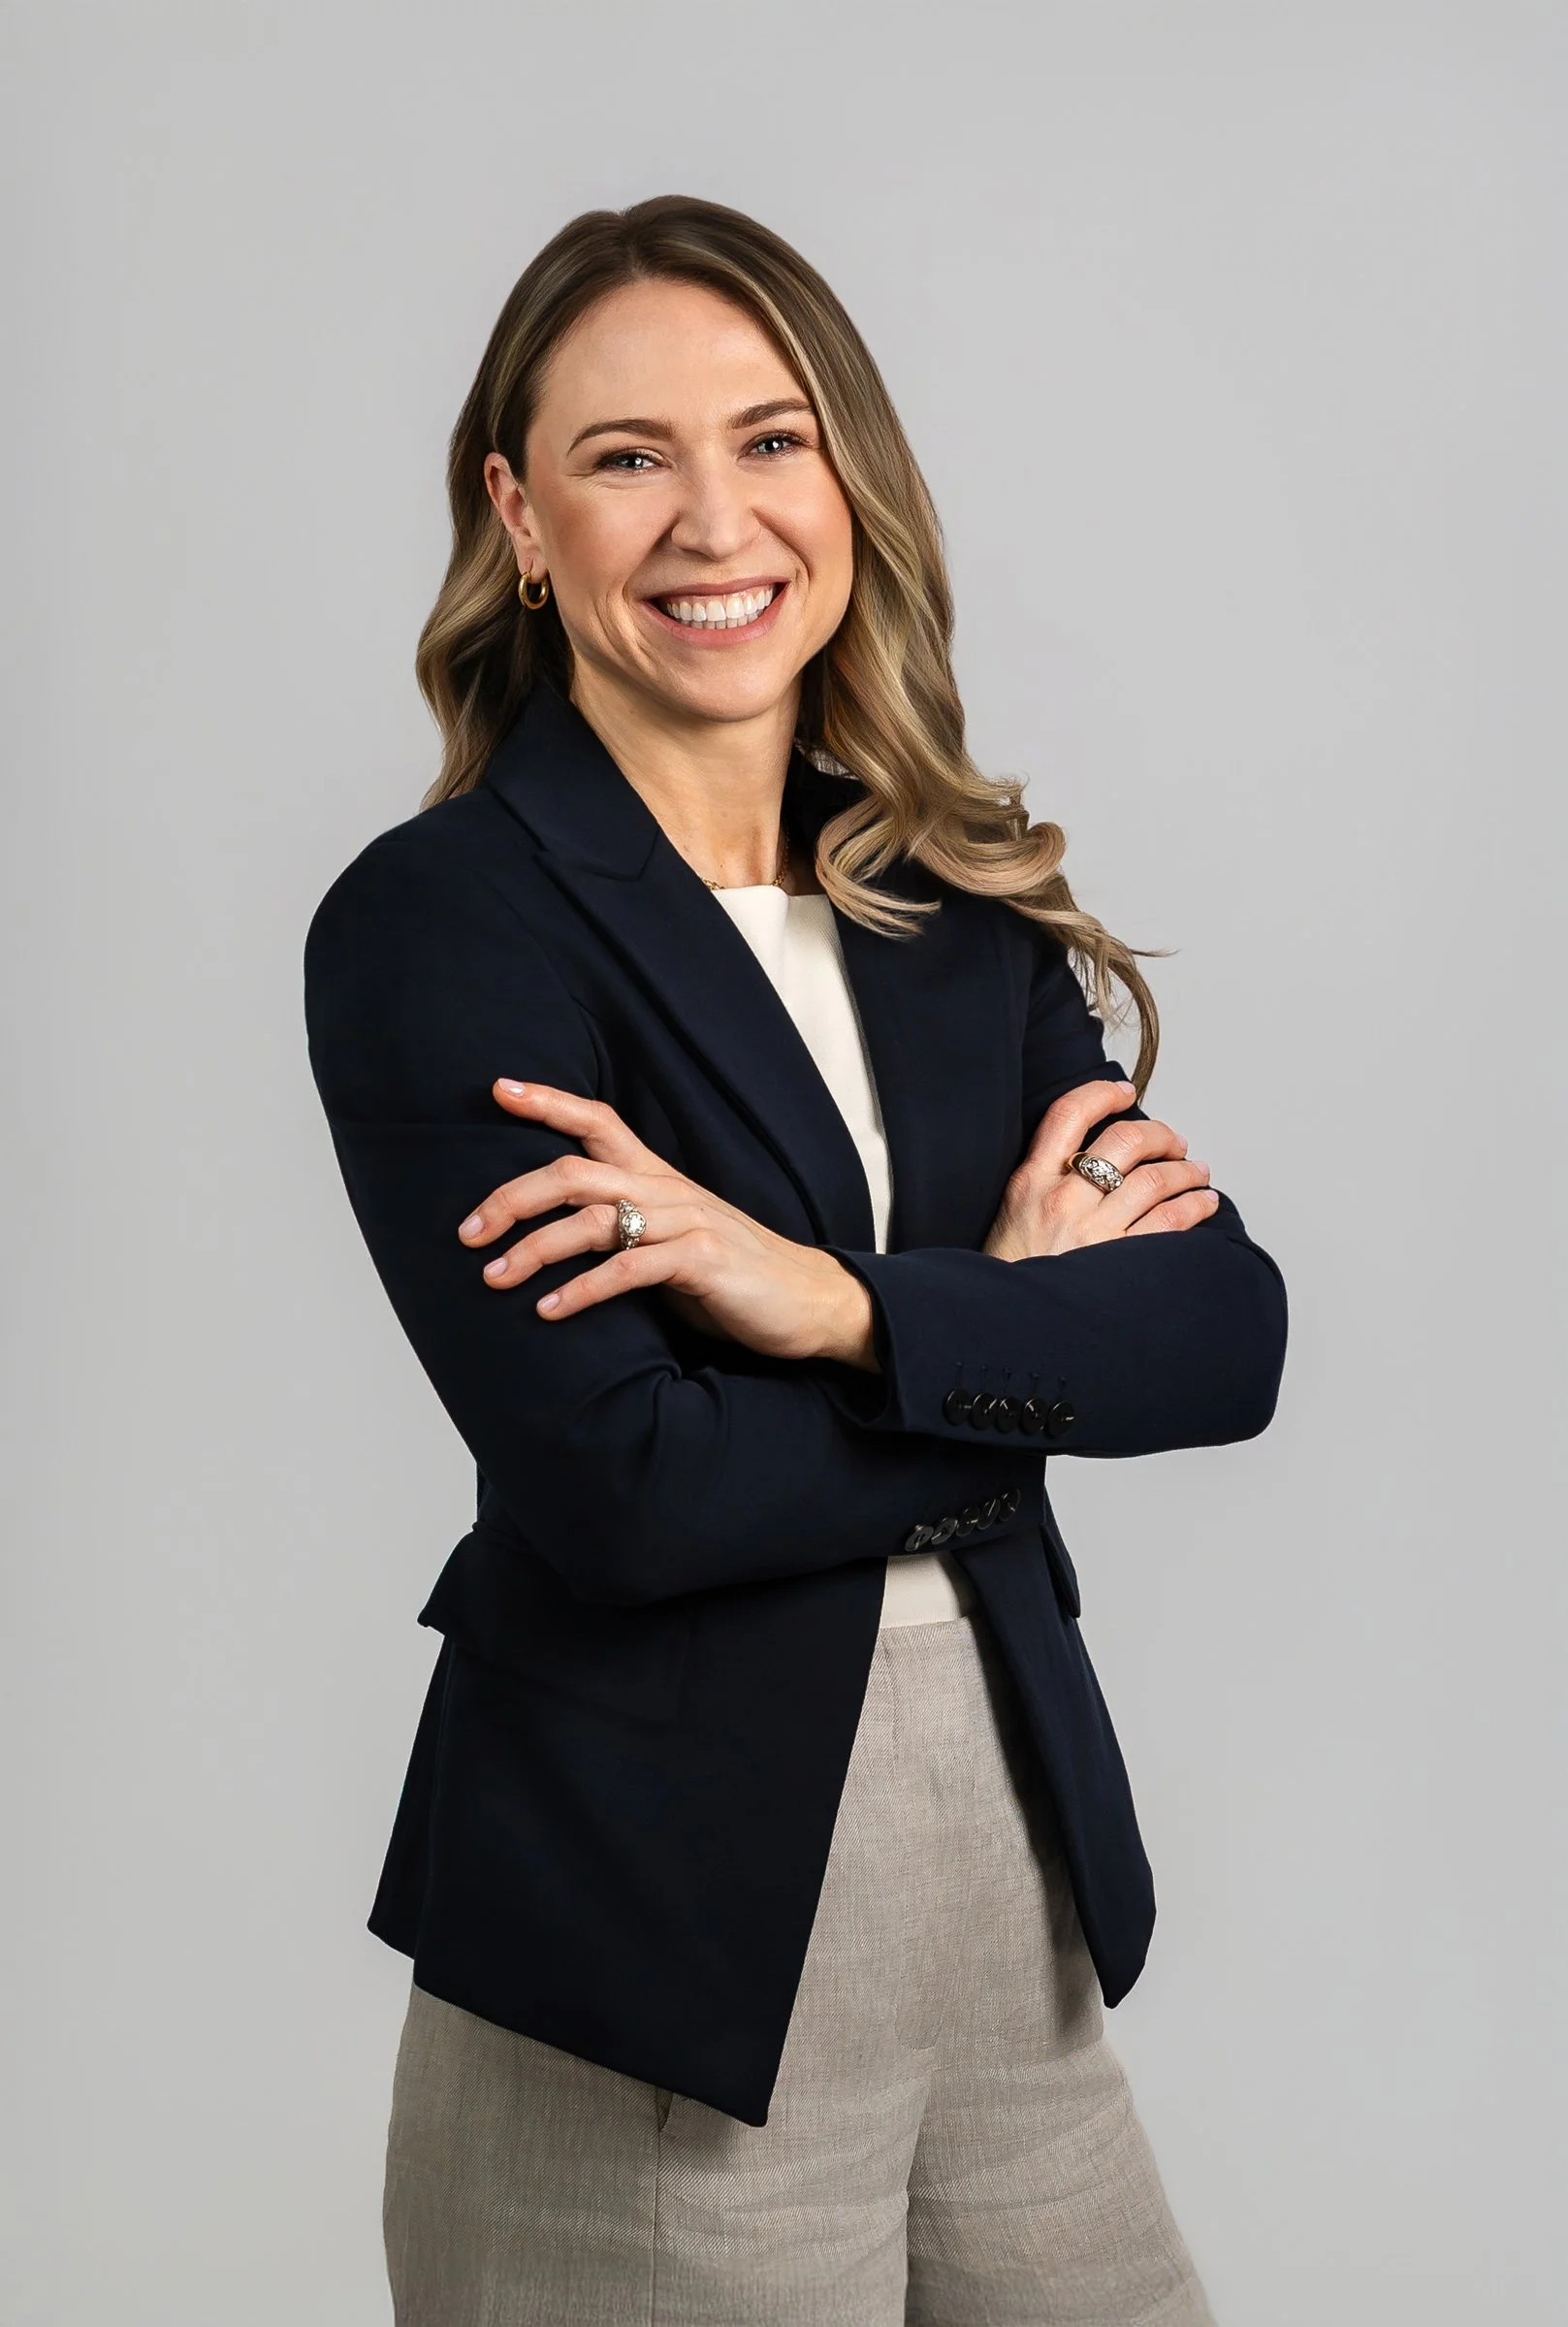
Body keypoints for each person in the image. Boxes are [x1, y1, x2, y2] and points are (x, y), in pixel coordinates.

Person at [304, 193, 1287, 2327]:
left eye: (769, 439)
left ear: (847, 477)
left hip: (1008, 1953)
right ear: (520, 513)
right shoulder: (449, 923)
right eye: (626, 456)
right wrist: (1009, 1347)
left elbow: (1221, 1331)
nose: (711, 518)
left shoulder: (947, 896)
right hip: (653, 1995)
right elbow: (630, 1486)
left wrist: (835, 1304)